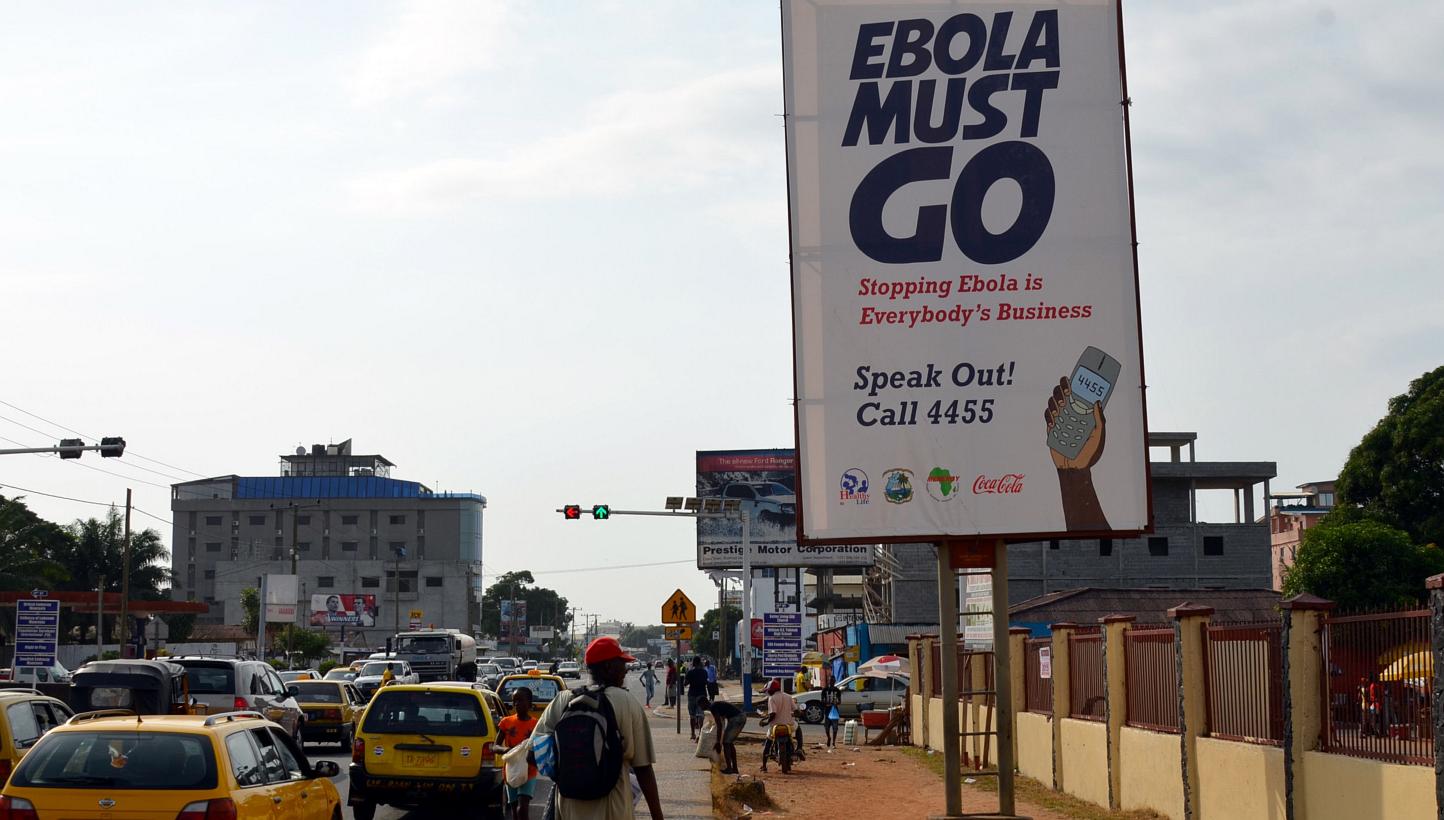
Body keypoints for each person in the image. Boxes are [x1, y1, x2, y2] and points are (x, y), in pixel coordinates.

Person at [533, 637, 664, 820]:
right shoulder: (626, 702)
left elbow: (532, 754)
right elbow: (643, 768)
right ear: (609, 667)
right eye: (622, 664)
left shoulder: (563, 700)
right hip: (614, 809)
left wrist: (570, 768)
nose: (625, 670)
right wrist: (658, 816)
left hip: (569, 807)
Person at [498, 688, 539, 820]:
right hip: (511, 771)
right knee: (515, 810)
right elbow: (495, 745)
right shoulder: (506, 722)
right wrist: (505, 749)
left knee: (523, 807)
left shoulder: (535, 725)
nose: (516, 704)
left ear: (529, 703)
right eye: (514, 701)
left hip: (529, 771)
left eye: (520, 701)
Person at [759, 679, 803, 772]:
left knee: (768, 744)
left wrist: (766, 722)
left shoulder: (772, 698)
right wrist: (798, 713)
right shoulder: (788, 696)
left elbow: (772, 714)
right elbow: (796, 711)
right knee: (798, 728)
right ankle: (799, 748)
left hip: (775, 727)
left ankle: (764, 766)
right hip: (789, 726)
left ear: (770, 690)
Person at [702, 697, 746, 775]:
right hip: (739, 717)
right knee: (729, 743)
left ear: (704, 703)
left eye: (701, 705)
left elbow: (719, 725)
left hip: (737, 719)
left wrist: (718, 742)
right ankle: (734, 768)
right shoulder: (715, 705)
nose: (701, 708)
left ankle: (729, 768)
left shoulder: (713, 707)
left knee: (726, 743)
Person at [684, 657, 710, 741]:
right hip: (702, 695)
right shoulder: (704, 672)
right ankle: (700, 734)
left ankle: (692, 734)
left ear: (693, 663)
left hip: (692, 695)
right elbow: (706, 682)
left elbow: (685, 683)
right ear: (700, 663)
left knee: (692, 716)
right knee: (701, 716)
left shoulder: (690, 672)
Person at [819, 678, 844, 747]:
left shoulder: (837, 690)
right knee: (827, 728)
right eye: (830, 681)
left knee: (835, 728)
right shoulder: (825, 690)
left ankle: (833, 742)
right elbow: (822, 700)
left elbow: (840, 701)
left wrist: (836, 703)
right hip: (827, 711)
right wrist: (826, 703)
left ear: (834, 682)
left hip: (834, 711)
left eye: (833, 681)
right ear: (829, 682)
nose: (831, 682)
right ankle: (829, 738)